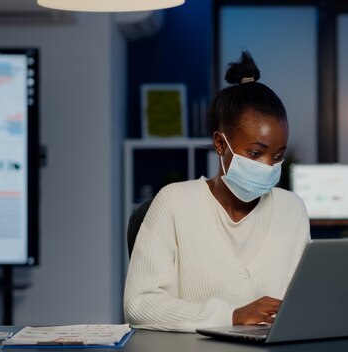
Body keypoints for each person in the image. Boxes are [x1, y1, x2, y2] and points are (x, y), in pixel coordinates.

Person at [123, 51, 311, 332]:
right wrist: (231, 315)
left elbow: (305, 304)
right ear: (221, 145)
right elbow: (139, 304)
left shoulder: (292, 209)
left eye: (278, 156)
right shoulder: (174, 203)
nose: (269, 166)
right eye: (256, 153)